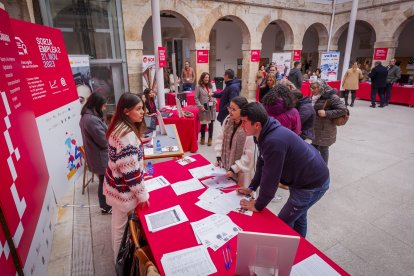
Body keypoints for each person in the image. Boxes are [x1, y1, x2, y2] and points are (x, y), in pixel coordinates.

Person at [237, 102, 330, 238]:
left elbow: (271, 177)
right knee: (299, 217)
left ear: (257, 124)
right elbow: (262, 163)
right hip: (303, 177)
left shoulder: (273, 140)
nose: (241, 125)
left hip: (311, 183)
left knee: (281, 223)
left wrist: (258, 205)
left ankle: (293, 247)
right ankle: (298, 246)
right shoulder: (265, 132)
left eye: (244, 122)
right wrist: (252, 187)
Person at [104, 93, 150, 262]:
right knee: (120, 229)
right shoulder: (127, 137)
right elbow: (131, 176)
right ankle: (119, 262)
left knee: (118, 226)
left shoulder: (119, 126)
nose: (143, 112)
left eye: (142, 107)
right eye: (138, 109)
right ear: (126, 111)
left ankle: (119, 257)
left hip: (116, 187)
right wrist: (143, 195)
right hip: (122, 192)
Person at [79, 93, 112, 214]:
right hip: (100, 156)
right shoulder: (91, 119)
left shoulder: (87, 116)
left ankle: (106, 206)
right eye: (103, 105)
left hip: (96, 155)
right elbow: (103, 141)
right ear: (97, 104)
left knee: (104, 181)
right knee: (104, 182)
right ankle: (105, 207)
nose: (105, 107)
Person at [215, 96, 255, 188]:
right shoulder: (228, 119)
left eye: (233, 109)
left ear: (242, 110)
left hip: (241, 172)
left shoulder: (248, 126)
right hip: (226, 166)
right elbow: (221, 137)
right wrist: (218, 155)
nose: (230, 111)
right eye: (230, 108)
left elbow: (249, 155)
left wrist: (234, 169)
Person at [310, 80, 347, 164]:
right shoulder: (314, 96)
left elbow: (343, 110)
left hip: (325, 129)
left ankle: (323, 170)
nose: (312, 90)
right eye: (311, 88)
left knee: (323, 149)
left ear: (321, 87)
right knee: (313, 147)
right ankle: (314, 167)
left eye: (314, 88)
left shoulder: (332, 97)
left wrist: (326, 113)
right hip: (315, 127)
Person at [195, 72, 217, 146]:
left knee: (211, 124)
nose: (207, 79)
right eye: (205, 77)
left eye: (208, 77)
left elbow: (214, 95)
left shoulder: (212, 85)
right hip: (204, 108)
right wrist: (200, 106)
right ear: (202, 78)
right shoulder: (198, 87)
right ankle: (203, 138)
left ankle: (210, 139)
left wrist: (215, 101)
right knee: (203, 124)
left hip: (212, 108)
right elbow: (196, 98)